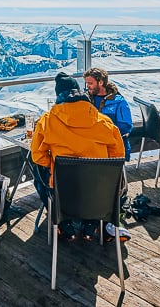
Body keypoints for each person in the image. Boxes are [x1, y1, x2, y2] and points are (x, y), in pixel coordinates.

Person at [30, 72, 125, 242]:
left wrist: (52, 164)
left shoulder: (47, 120)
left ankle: (61, 222)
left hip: (64, 190)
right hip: (99, 191)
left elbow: (37, 155)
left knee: (39, 176)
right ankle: (93, 223)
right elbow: (118, 156)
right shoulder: (104, 122)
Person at [83, 67, 133, 161]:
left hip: (112, 148)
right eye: (87, 83)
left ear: (100, 83)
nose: (87, 86)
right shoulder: (85, 100)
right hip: (90, 147)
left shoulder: (118, 102)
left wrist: (101, 135)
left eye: (90, 83)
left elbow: (126, 126)